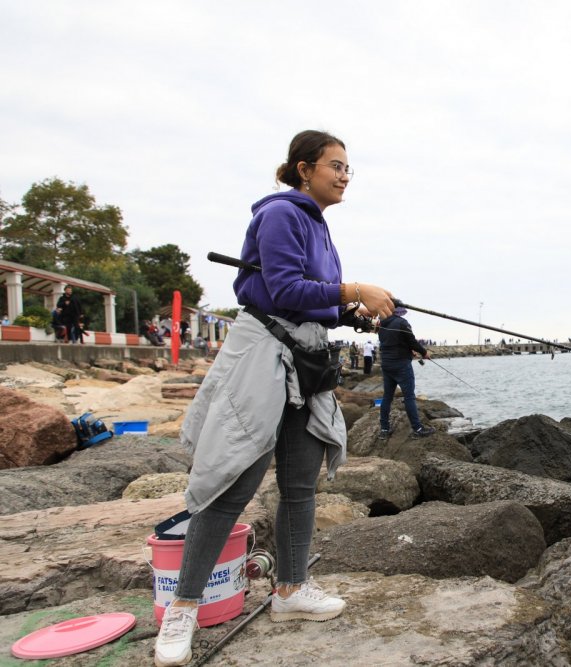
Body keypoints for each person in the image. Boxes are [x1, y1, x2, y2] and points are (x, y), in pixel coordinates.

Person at [154, 130, 396, 667]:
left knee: (301, 482)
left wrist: (351, 312)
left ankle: (289, 590)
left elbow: (312, 301)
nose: (345, 175)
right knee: (231, 480)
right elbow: (284, 291)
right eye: (335, 166)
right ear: (304, 168)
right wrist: (355, 291)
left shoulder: (319, 226)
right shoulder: (282, 215)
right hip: (265, 359)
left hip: (304, 363)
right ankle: (183, 607)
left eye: (349, 168)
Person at [377, 306, 435, 439]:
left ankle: (384, 430)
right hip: (401, 365)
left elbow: (392, 343)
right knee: (409, 396)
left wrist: (409, 351)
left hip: (387, 364)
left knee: (387, 397)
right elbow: (412, 342)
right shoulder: (402, 323)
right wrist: (424, 353)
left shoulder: (382, 325)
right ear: (398, 312)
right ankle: (418, 429)